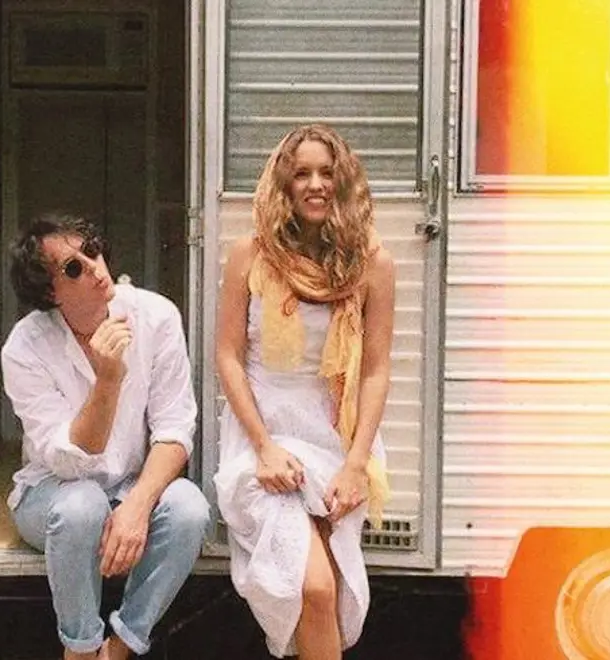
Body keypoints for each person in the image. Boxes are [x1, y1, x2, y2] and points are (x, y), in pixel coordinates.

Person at [213, 124, 394, 659]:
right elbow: (228, 356)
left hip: (335, 437)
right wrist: (264, 447)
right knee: (312, 587)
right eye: (302, 174)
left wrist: (357, 465)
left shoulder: (373, 264)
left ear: (344, 182)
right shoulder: (250, 254)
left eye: (327, 173)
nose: (315, 184)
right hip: (263, 433)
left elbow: (375, 370)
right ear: (283, 185)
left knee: (330, 595)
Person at [2, 212, 210, 660]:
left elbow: (175, 428)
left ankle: (122, 645)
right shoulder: (25, 346)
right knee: (83, 505)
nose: (95, 268)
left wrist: (138, 506)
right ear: (49, 292)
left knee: (189, 509)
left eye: (92, 250)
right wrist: (108, 380)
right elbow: (70, 457)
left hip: (128, 485)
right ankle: (79, 648)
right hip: (52, 493)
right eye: (73, 268)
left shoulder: (155, 316)